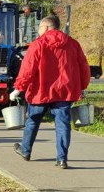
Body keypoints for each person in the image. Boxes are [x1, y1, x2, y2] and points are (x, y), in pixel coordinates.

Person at [11, 15, 90, 169]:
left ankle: (26, 150)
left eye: (39, 27)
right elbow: (83, 67)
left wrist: (18, 88)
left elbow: (28, 69)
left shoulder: (38, 44)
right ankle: (62, 159)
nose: (38, 31)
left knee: (33, 120)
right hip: (64, 92)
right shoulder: (73, 44)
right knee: (63, 124)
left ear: (46, 27)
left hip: (41, 92)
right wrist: (82, 86)